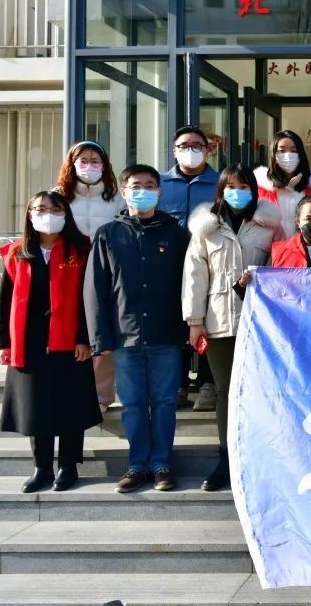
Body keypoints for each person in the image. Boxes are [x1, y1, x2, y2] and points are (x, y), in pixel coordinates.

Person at [84, 164, 190, 494]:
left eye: (149, 185)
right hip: (124, 335)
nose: (142, 190)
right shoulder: (108, 234)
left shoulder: (177, 235)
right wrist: (98, 337)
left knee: (164, 402)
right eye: (135, 185)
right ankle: (137, 464)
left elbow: (189, 285)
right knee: (132, 403)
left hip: (166, 333)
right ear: (124, 191)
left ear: (159, 191)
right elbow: (95, 290)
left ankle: (161, 463)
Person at [0, 192, 100, 493]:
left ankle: (68, 467)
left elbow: (89, 298)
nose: (47, 215)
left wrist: (85, 338)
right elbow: (5, 301)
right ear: (29, 215)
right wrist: (4, 343)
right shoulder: (17, 252)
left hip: (69, 340)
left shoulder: (81, 250)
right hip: (28, 342)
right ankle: (42, 468)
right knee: (35, 407)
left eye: (55, 209)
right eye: (40, 209)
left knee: (70, 405)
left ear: (66, 213)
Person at [182, 165, 279, 491]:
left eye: (244, 187)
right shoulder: (207, 228)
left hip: (261, 322)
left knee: (260, 390)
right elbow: (194, 276)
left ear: (254, 190)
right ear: (221, 191)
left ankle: (259, 456)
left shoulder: (269, 227)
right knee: (225, 391)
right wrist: (195, 321)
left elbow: (283, 267)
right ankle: (226, 458)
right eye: (231, 187)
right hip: (219, 320)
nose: (238, 193)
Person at [54, 140, 123, 416]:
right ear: (71, 164)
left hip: (106, 271)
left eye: (95, 161)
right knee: (69, 329)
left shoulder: (116, 197)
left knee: (102, 331)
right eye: (83, 160)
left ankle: (101, 396)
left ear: (104, 165)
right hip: (68, 270)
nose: (89, 166)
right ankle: (68, 390)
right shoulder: (59, 196)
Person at [158, 126, 220, 413]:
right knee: (175, 323)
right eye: (184, 145)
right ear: (174, 150)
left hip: (210, 264)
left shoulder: (220, 183)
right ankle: (179, 383)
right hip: (168, 264)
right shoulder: (159, 183)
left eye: (197, 145)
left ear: (208, 150)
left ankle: (208, 382)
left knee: (209, 320)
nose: (190, 150)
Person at [254, 130, 311, 239]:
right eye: (282, 151)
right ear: (274, 155)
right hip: (270, 248)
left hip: (303, 246)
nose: (288, 155)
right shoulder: (261, 187)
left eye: (293, 150)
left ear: (301, 154)